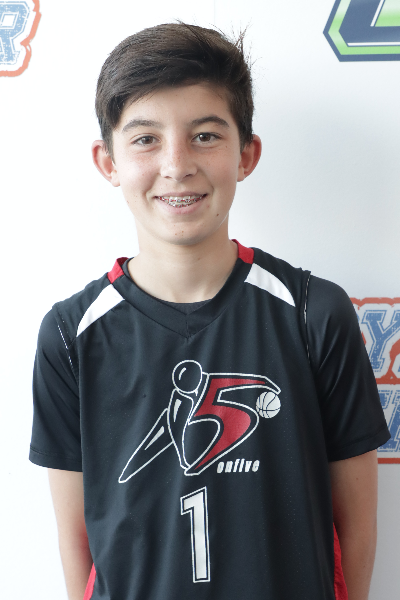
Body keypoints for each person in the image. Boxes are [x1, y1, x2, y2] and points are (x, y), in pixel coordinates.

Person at [29, 22, 390, 600]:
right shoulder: (72, 335)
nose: (177, 165)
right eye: (146, 139)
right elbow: (78, 542)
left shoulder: (312, 314)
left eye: (204, 135)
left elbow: (357, 529)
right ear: (108, 161)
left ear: (246, 154)